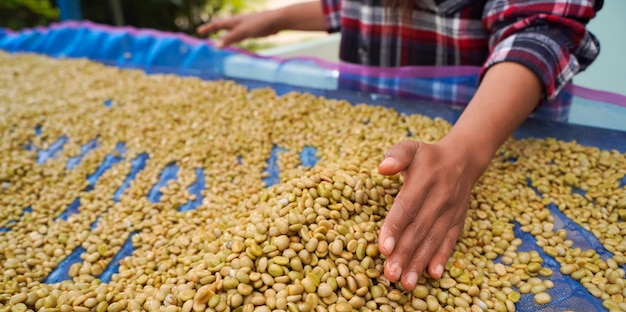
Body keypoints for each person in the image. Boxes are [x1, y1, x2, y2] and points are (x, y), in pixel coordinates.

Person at [197, 0, 603, 291]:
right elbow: (348, 7)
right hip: (367, 122)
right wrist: (274, 19)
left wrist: (463, 154)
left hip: (480, 128)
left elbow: (540, 29)